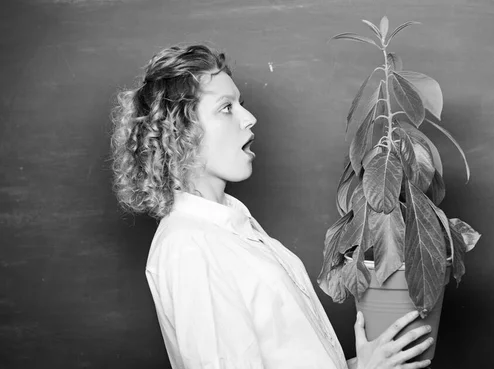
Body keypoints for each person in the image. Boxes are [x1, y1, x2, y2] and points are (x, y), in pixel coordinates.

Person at [110, 43, 434, 369]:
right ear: (180, 130)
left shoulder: (228, 225)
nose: (249, 118)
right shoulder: (191, 249)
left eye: (241, 104)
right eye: (226, 108)